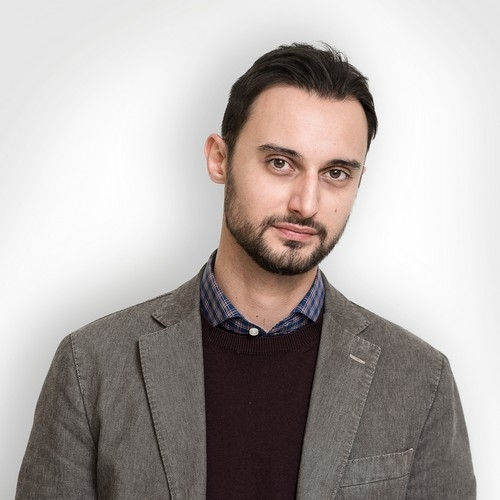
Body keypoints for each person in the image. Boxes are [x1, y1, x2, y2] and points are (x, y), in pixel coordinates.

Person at [16, 43, 475, 499]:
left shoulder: (421, 379)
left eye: (335, 173)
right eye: (281, 163)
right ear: (220, 159)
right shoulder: (91, 366)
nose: (306, 204)